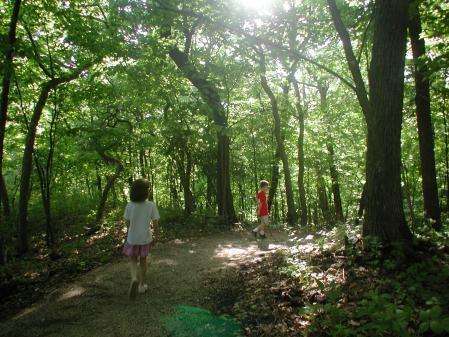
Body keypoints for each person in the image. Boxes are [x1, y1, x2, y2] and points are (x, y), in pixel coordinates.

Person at [123, 178, 160, 300]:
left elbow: (127, 223)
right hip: (145, 238)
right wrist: (156, 235)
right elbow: (155, 223)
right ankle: (141, 284)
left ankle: (134, 278)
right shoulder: (151, 205)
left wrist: (131, 230)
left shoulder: (129, 205)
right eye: (148, 189)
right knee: (143, 261)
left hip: (132, 238)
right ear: (145, 192)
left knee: (133, 260)